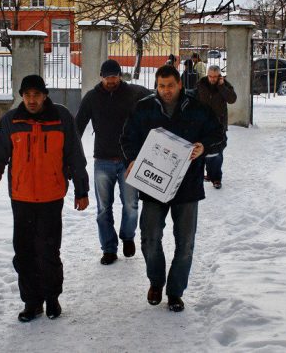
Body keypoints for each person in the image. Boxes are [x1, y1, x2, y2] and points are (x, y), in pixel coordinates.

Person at [0, 74, 89, 323]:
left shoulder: (61, 118)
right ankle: (32, 301)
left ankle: (52, 298)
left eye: (36, 95)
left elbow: (75, 156)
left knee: (49, 250)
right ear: (22, 96)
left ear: (44, 95)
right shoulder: (11, 121)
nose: (31, 100)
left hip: (51, 197)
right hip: (22, 198)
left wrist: (82, 190)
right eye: (27, 95)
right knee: (25, 252)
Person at [121, 65, 224, 312]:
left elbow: (219, 136)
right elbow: (127, 138)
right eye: (161, 86)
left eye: (170, 85)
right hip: (154, 186)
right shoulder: (144, 108)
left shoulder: (198, 109)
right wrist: (133, 159)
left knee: (185, 243)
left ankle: (176, 292)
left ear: (180, 84)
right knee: (149, 238)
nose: (166, 91)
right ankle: (156, 282)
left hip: (187, 187)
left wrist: (204, 147)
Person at [76, 59, 152, 265]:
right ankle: (109, 248)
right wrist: (71, 155)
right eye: (108, 77)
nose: (111, 80)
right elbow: (77, 127)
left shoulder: (134, 93)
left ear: (120, 75)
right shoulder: (92, 98)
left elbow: (158, 101)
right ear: (101, 76)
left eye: (115, 76)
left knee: (131, 204)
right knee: (103, 208)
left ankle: (127, 237)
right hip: (102, 160)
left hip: (129, 161)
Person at [195, 65, 237, 189]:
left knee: (217, 152)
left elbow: (232, 99)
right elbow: (193, 98)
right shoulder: (201, 84)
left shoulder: (225, 85)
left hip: (219, 125)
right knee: (204, 150)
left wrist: (221, 86)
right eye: (210, 76)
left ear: (219, 76)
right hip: (202, 124)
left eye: (215, 77)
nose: (212, 79)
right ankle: (209, 174)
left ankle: (216, 178)